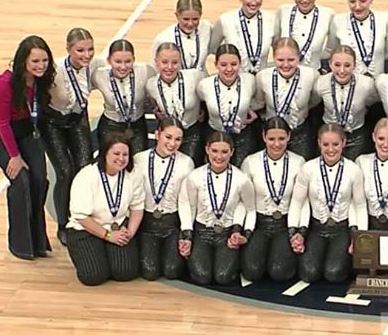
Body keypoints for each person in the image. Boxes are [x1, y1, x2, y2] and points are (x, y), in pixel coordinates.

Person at [0, 35, 55, 260]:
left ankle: (39, 242)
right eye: (35, 61)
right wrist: (14, 156)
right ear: (23, 61)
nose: (41, 66)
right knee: (21, 179)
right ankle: (21, 245)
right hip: (0, 132)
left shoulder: (43, 79)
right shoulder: (4, 84)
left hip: (27, 130)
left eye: (44, 61)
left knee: (39, 179)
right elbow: (2, 123)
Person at [288, 124, 367, 283]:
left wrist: (359, 238)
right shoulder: (308, 168)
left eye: (335, 144)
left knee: (333, 273)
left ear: (344, 143)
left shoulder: (353, 170)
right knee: (308, 273)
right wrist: (295, 232)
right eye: (325, 144)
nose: (331, 149)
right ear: (319, 143)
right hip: (317, 229)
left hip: (341, 229)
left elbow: (360, 206)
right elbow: (297, 202)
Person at [43, 28, 100, 245]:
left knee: (85, 169)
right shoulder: (54, 70)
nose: (87, 55)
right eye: (80, 50)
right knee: (65, 172)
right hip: (53, 123)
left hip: (77, 119)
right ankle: (62, 224)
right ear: (68, 49)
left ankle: (84, 216)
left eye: (90, 49)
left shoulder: (95, 65)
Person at [66, 132, 144, 285]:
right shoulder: (87, 175)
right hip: (86, 229)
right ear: (105, 153)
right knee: (93, 276)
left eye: (125, 154)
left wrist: (129, 233)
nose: (121, 159)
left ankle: (105, 251)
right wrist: (107, 236)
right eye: (116, 153)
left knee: (126, 272)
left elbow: (137, 207)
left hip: (117, 226)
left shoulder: (133, 174)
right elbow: (81, 217)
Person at [180, 131, 256, 285]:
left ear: (232, 152)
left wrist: (243, 234)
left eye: (224, 152)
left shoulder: (241, 179)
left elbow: (250, 209)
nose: (219, 157)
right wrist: (187, 236)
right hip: (202, 232)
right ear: (207, 149)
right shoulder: (194, 177)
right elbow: (188, 207)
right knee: (202, 276)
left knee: (223, 276)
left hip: (227, 234)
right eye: (214, 151)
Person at [240, 117, 304, 282]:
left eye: (281, 138)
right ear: (263, 137)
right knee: (251, 272)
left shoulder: (298, 162)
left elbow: (301, 202)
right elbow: (244, 202)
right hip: (259, 224)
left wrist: (297, 231)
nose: (276, 144)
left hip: (284, 224)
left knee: (279, 272)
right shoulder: (250, 162)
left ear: (289, 136)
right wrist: (244, 230)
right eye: (271, 139)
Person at [133, 118, 195, 280]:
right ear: (157, 134)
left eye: (178, 139)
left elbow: (186, 202)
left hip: (171, 224)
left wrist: (186, 233)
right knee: (150, 272)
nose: (172, 143)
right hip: (147, 225)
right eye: (168, 137)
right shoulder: (139, 159)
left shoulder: (186, 163)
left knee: (171, 271)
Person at [255, 38, 322, 160]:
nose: (285, 65)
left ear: (298, 58)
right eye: (280, 60)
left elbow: (314, 100)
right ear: (274, 58)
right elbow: (260, 102)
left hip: (300, 132)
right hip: (272, 134)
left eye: (291, 60)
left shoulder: (312, 75)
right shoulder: (262, 77)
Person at [197, 44, 259, 167]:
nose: (229, 69)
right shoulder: (204, 85)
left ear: (240, 63)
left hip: (242, 136)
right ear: (216, 64)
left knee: (241, 171)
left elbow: (257, 100)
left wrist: (250, 108)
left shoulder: (251, 80)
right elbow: (200, 102)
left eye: (234, 64)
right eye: (223, 65)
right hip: (214, 135)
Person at [91, 39, 156, 155]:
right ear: (109, 60)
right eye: (118, 61)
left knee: (139, 161)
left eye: (128, 61)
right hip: (110, 127)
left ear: (134, 59)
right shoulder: (99, 75)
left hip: (137, 126)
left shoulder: (146, 71)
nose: (123, 66)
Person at [147, 42, 206, 165]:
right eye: (164, 62)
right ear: (156, 62)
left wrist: (203, 110)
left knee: (188, 167)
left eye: (175, 62)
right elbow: (154, 105)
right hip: (168, 136)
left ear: (180, 62)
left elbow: (209, 93)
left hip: (191, 134)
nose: (169, 67)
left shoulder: (195, 77)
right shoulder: (151, 85)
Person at [315, 45, 378, 159]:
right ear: (330, 64)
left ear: (355, 65)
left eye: (347, 65)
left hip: (356, 135)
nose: (342, 70)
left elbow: (372, 101)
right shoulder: (321, 83)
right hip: (329, 136)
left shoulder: (367, 84)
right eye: (337, 65)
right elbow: (314, 102)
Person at [210, 0, 280, 75]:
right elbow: (213, 49)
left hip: (262, 80)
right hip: (235, 79)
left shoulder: (272, 20)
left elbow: (279, 51)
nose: (253, 2)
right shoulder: (225, 20)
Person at [328, 0, 388, 78]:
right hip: (349, 83)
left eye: (363, 1)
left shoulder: (385, 19)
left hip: (378, 82)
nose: (357, 7)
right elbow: (331, 51)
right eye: (352, 1)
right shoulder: (337, 21)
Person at [278, 0, 334, 70]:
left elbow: (330, 49)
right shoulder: (283, 11)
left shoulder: (328, 14)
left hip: (314, 73)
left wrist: (315, 56)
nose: (304, 0)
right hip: (284, 72)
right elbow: (276, 43)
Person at [152, 0, 212, 73]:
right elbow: (155, 69)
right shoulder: (163, 39)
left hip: (201, 79)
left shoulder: (206, 28)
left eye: (195, 19)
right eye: (186, 19)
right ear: (177, 15)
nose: (190, 24)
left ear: (200, 15)